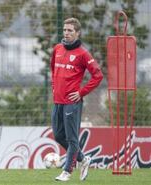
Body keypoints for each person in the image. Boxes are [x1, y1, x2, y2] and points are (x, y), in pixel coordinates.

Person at [50, 17, 103, 181]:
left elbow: (98, 75)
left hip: (72, 102)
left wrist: (81, 93)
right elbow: (53, 69)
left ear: (77, 33)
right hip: (58, 101)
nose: (66, 33)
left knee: (72, 139)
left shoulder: (83, 54)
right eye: (65, 30)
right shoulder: (57, 48)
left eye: (70, 31)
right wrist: (54, 86)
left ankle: (67, 171)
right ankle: (84, 159)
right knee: (58, 136)